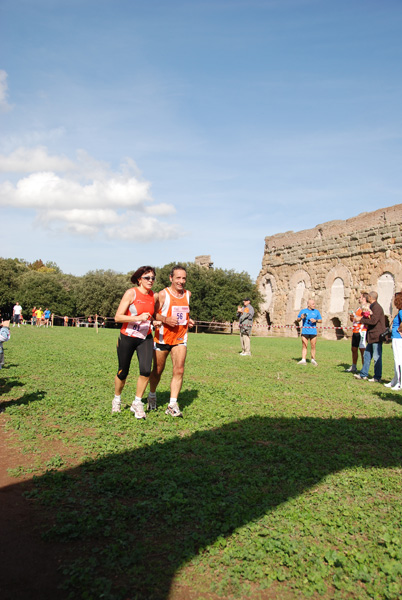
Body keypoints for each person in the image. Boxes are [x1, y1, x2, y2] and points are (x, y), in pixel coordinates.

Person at [147, 265, 193, 418]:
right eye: (178, 278)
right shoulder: (162, 295)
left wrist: (189, 320)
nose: (181, 281)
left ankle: (172, 404)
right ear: (171, 278)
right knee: (157, 371)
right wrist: (165, 319)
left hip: (180, 338)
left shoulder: (188, 295)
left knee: (179, 369)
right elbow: (153, 314)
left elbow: (183, 313)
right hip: (162, 337)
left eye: (184, 278)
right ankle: (152, 395)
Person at [113, 266, 157, 418]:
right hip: (128, 336)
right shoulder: (131, 293)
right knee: (123, 372)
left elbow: (149, 315)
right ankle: (117, 399)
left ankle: (137, 402)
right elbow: (118, 317)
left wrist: (154, 322)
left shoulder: (153, 296)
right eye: (147, 278)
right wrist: (137, 318)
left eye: (152, 278)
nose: (150, 280)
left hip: (145, 337)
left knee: (146, 370)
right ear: (139, 279)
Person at [354, 291, 385, 382]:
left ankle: (377, 377)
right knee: (367, 355)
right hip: (371, 336)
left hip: (376, 335)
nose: (367, 298)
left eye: (368, 297)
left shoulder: (377, 308)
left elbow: (374, 321)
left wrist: (361, 319)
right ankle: (363, 374)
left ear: (371, 298)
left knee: (376, 357)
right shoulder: (372, 307)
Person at [345, 292, 369, 373]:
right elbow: (354, 319)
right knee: (353, 349)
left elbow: (366, 318)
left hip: (362, 331)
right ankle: (354, 366)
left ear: (364, 299)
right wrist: (352, 317)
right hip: (355, 330)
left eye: (360, 297)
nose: (359, 299)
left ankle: (363, 369)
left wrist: (357, 318)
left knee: (362, 350)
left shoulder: (366, 307)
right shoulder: (359, 308)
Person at [384, 292, 402, 391]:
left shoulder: (401, 312)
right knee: (396, 360)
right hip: (396, 338)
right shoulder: (400, 311)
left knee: (399, 361)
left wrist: (399, 330)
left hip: (398, 338)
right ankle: (395, 380)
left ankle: (400, 383)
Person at [296, 298, 322, 366]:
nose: (314, 305)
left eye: (314, 304)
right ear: (308, 305)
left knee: (313, 346)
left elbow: (320, 320)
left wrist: (315, 320)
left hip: (313, 332)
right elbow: (298, 320)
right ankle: (303, 359)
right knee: (304, 345)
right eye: (313, 304)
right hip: (305, 331)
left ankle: (313, 359)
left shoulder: (316, 312)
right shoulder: (303, 311)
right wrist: (301, 318)